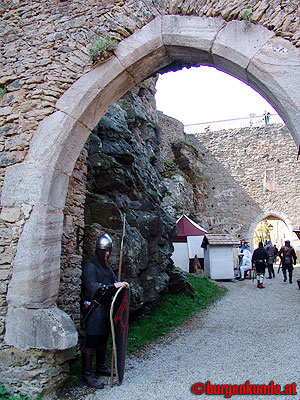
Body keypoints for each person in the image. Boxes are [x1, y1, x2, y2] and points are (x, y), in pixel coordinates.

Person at [81, 233, 130, 389]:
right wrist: (112, 286)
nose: (107, 254)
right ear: (99, 251)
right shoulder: (90, 267)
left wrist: (121, 285)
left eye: (109, 251)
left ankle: (101, 367)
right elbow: (93, 287)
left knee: (103, 339)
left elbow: (115, 282)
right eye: (105, 251)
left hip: (106, 310)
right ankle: (87, 375)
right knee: (91, 341)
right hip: (94, 309)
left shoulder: (107, 269)